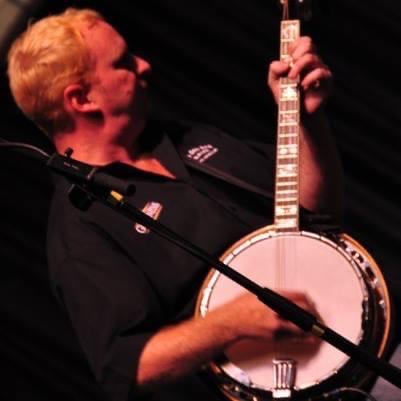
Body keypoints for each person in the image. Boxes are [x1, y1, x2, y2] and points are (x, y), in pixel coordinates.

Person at [7, 7, 344, 401]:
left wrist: (308, 120)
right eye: (123, 63)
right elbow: (124, 366)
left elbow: (316, 209)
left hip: (367, 330)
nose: (145, 65)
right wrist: (229, 323)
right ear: (81, 98)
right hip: (304, 386)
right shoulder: (81, 230)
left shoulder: (183, 138)